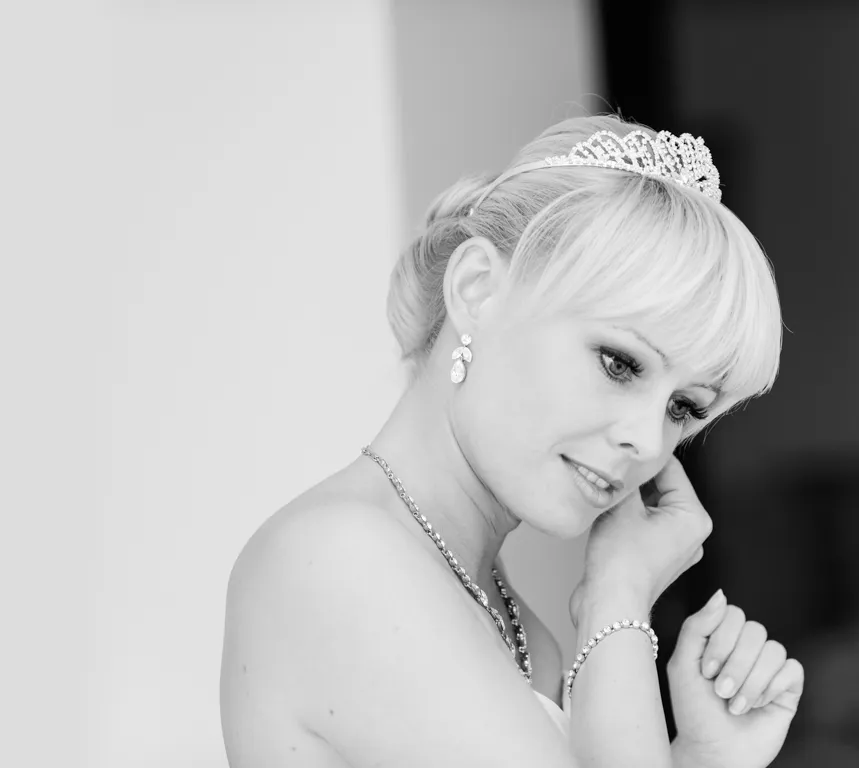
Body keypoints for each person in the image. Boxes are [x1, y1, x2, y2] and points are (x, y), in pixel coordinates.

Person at [219, 114, 803, 768]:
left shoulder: (519, 628)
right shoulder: (337, 560)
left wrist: (703, 758)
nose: (647, 440)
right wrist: (619, 594)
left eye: (684, 407)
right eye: (619, 363)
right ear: (477, 290)